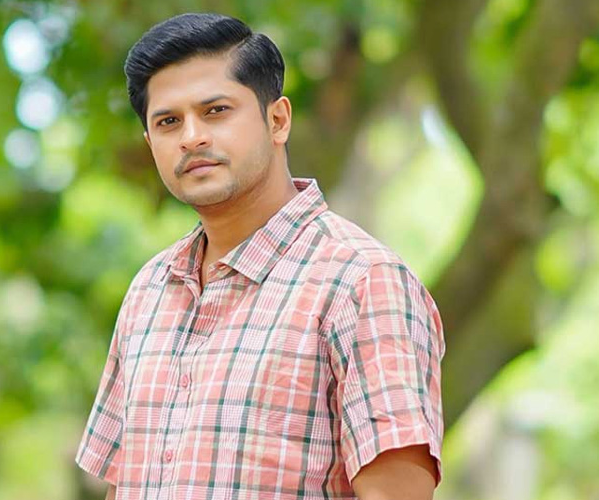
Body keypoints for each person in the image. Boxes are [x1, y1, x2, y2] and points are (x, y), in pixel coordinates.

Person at [75, 12, 444, 500]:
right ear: (150, 142)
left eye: (215, 111)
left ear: (278, 120)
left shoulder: (362, 283)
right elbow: (123, 485)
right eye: (168, 122)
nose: (191, 137)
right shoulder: (150, 289)